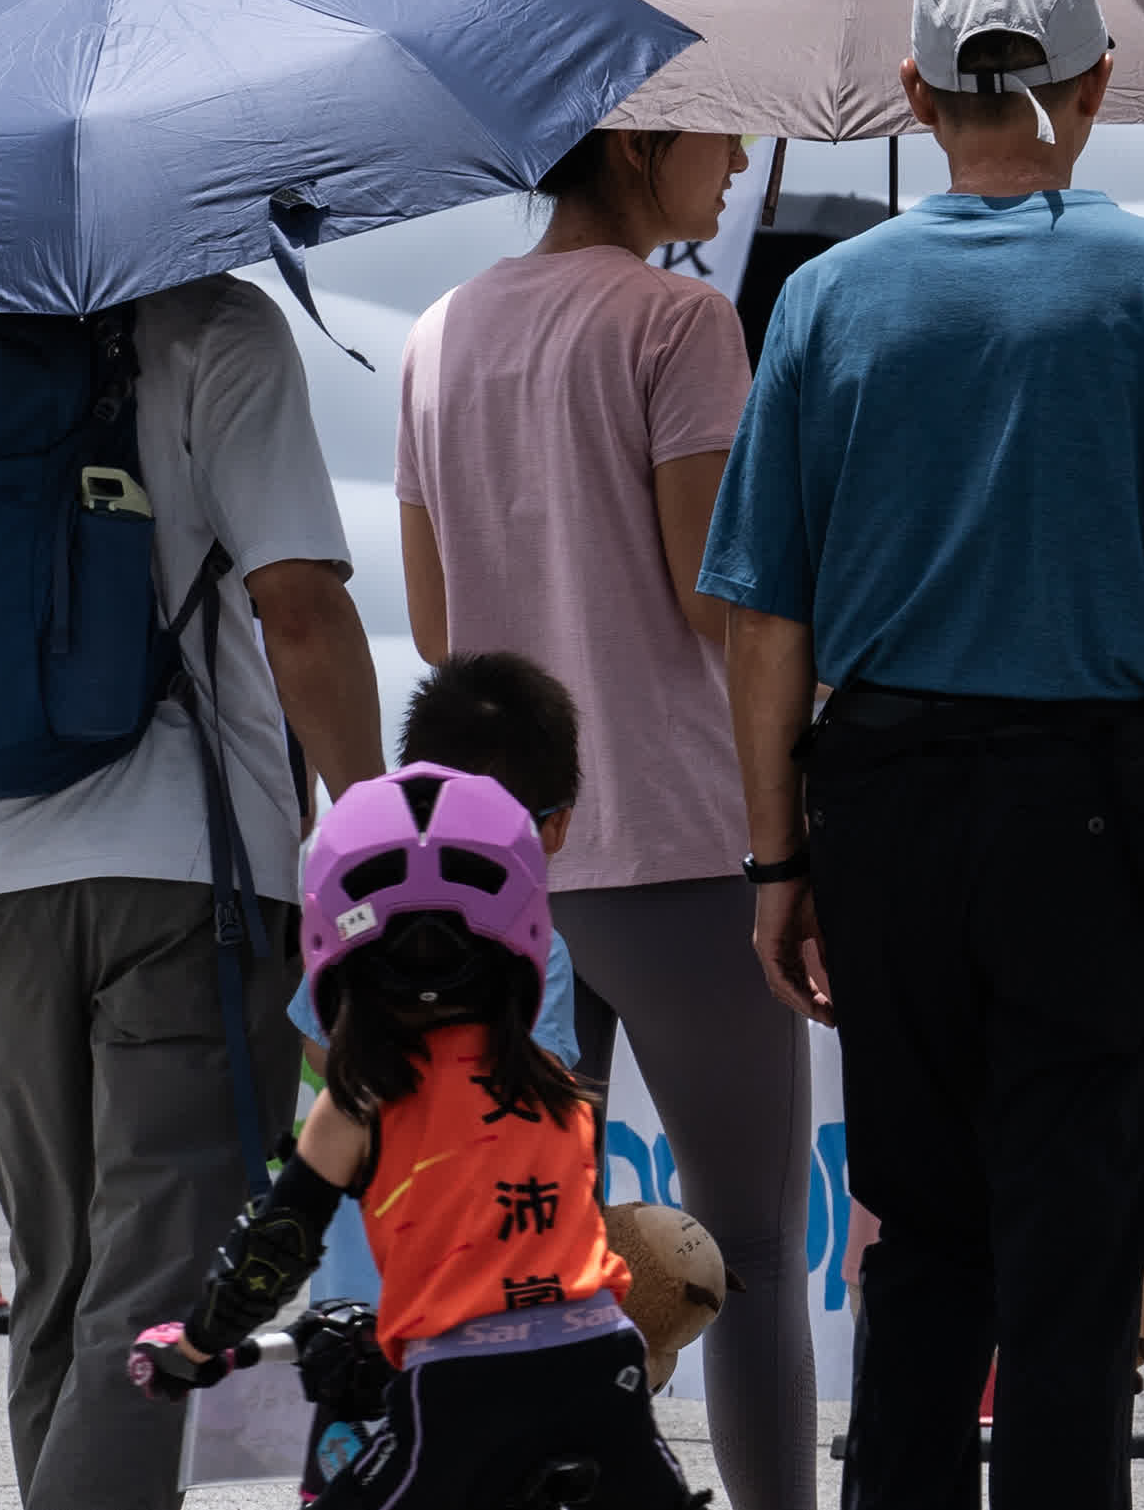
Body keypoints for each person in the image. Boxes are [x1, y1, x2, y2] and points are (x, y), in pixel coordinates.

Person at [707, 0, 1144, 1507]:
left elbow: (765, 619)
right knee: (1075, 1254)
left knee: (926, 1237)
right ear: (1095, 87)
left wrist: (773, 860)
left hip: (883, 808)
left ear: (911, 94)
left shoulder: (823, 302)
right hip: (1092, 820)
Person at [399, 121, 818, 1509]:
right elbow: (717, 590)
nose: (741, 155)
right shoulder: (681, 320)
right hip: (686, 838)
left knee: (523, 1237)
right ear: (636, 144)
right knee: (745, 1236)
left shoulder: (439, 333)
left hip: (501, 866)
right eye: (719, 128)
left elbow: (433, 623)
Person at [0, 272, 384, 1510]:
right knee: (156, 1289)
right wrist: (378, 832)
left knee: (60, 1271)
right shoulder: (218, 326)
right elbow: (297, 606)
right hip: (190, 862)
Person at [131, 762, 691, 1510]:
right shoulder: (558, 1088)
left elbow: (271, 1253)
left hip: (460, 1394)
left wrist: (194, 1349)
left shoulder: (362, 1099)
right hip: (604, 1368)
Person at [284, 653, 590, 1362]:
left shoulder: (357, 921)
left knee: (355, 1464)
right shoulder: (538, 953)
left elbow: (317, 1043)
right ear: (554, 828)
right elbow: (540, 1089)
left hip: (356, 1303)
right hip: (482, 1305)